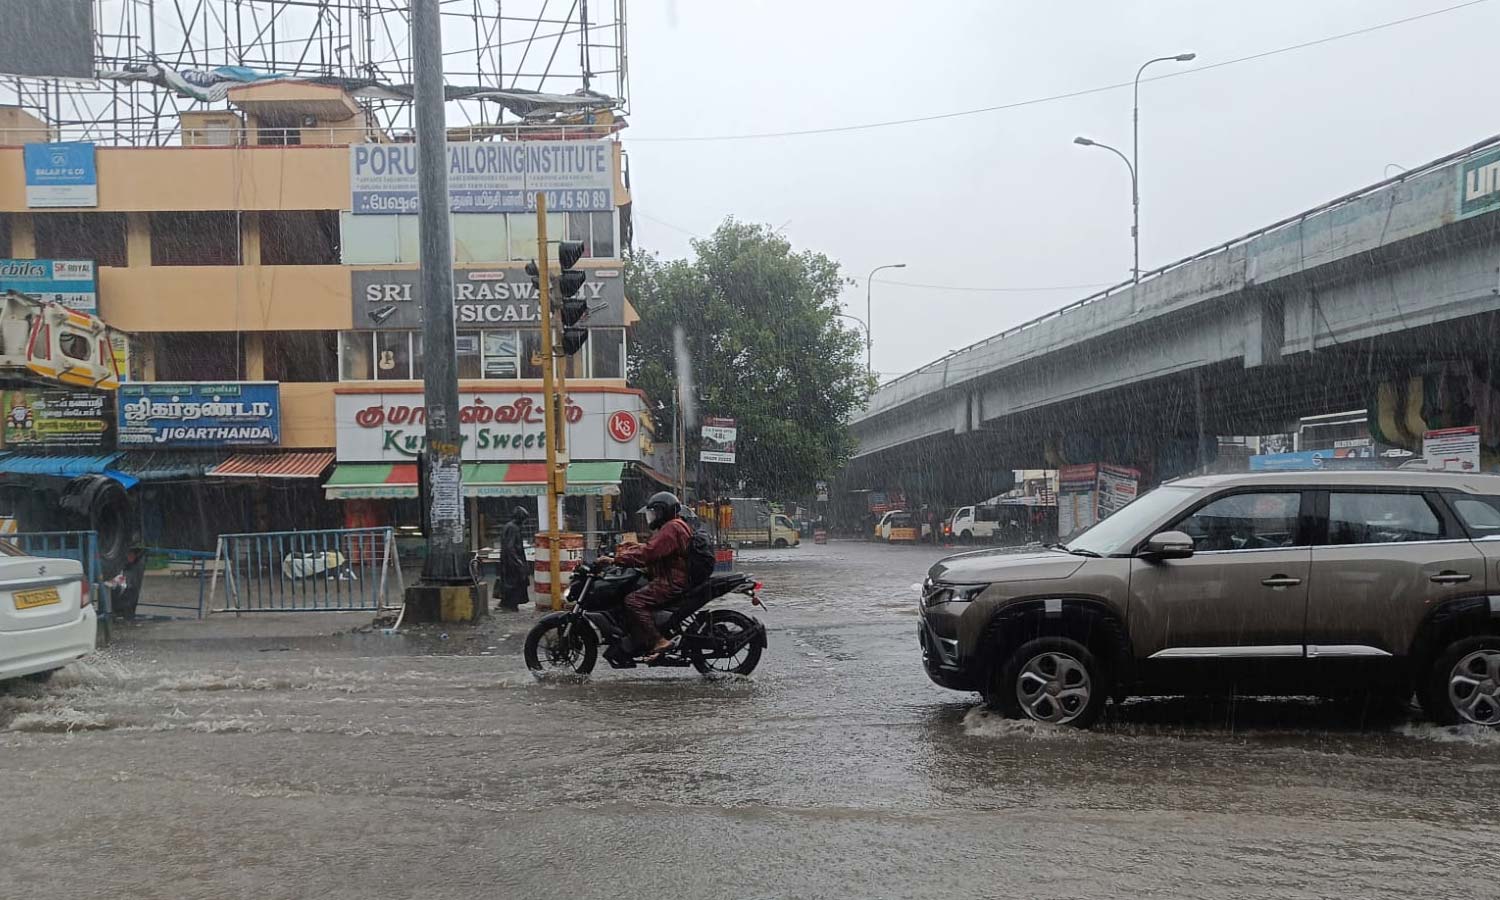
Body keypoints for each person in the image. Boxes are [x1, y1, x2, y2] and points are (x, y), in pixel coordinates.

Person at [596, 491, 693, 659]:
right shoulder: (676, 525)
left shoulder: (672, 527)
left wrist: (615, 560)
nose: (652, 517)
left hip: (671, 580)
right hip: (673, 576)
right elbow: (655, 548)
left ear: (664, 512)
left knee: (633, 601)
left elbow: (649, 553)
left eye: (654, 513)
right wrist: (634, 546)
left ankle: (659, 640)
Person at [493, 505, 530, 611]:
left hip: (509, 560)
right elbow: (510, 547)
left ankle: (506, 603)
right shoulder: (513, 528)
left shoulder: (510, 526)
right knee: (514, 584)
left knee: (511, 584)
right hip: (511, 561)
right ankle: (509, 605)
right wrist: (518, 561)